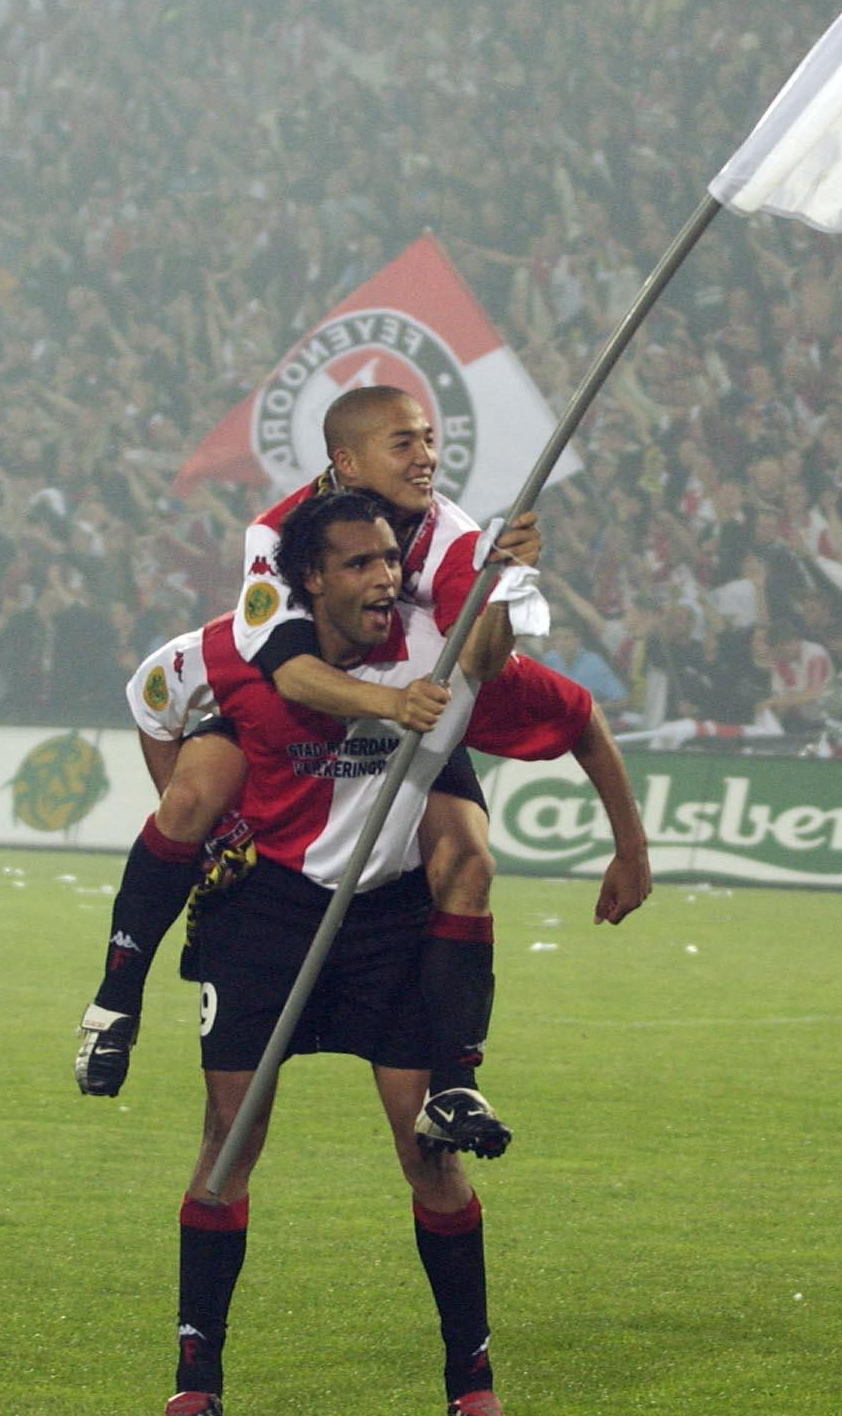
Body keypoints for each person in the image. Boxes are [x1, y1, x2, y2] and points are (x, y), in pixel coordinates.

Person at [156, 488, 541, 1416]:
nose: (388, 575)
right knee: (228, 1140)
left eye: (390, 559)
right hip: (267, 919)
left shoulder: (422, 634)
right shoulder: (257, 643)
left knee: (429, 1155)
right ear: (312, 579)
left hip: (389, 923)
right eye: (362, 562)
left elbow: (489, 666)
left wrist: (498, 581)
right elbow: (171, 701)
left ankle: (474, 1384)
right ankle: (195, 1384)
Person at [78, 381, 546, 1155]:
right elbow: (280, 677)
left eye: (430, 439)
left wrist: (499, 589)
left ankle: (458, 1081)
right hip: (295, 707)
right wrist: (216, 832)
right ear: (347, 461)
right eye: (405, 442)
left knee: (469, 856)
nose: (428, 457)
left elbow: (484, 663)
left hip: (411, 711)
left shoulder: (456, 538)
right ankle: (114, 1001)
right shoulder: (276, 536)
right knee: (192, 801)